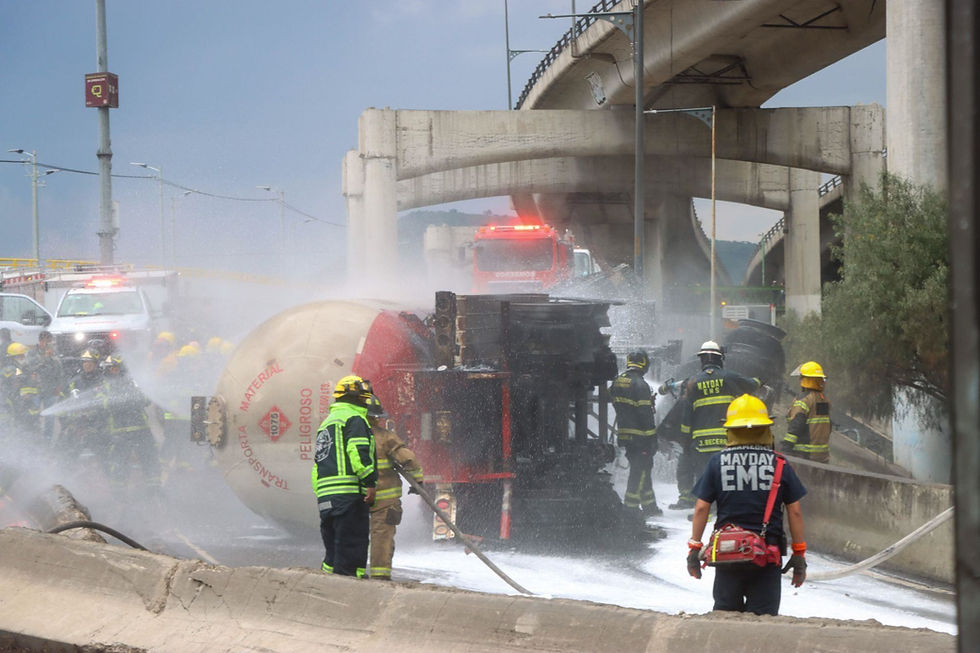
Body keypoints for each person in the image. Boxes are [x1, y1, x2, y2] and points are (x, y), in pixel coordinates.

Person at [686, 394, 808, 616]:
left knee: (725, 616)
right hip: (767, 554)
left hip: (727, 553)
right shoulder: (779, 463)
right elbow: (795, 512)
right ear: (766, 429)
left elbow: (702, 508)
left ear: (730, 430)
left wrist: (694, 548)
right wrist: (798, 554)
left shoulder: (717, 462)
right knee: (763, 619)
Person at [671, 340, 761, 510]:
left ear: (702, 359)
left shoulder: (692, 382)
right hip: (725, 439)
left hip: (700, 442)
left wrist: (685, 440)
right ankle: (721, 509)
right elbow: (752, 384)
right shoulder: (729, 377)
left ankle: (704, 511)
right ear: (719, 358)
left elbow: (686, 416)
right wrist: (761, 379)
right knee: (725, 475)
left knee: (703, 477)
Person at [312, 375, 378, 577]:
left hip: (326, 499)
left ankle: (325, 586)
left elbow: (317, 464)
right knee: (352, 548)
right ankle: (350, 589)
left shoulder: (327, 423)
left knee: (333, 552)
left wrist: (322, 493)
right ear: (357, 397)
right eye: (364, 397)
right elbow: (357, 452)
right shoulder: (354, 418)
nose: (366, 402)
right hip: (349, 496)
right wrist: (370, 482)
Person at [364, 395, 423, 580]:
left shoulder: (347, 436)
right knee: (382, 539)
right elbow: (408, 459)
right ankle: (380, 577)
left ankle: (352, 573)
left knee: (355, 536)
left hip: (357, 497)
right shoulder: (385, 437)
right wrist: (418, 481)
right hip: (385, 500)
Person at [99, 355, 162, 495]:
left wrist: (126, 400)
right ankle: (118, 491)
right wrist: (123, 401)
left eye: (115, 368)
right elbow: (102, 404)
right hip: (119, 431)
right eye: (110, 368)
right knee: (119, 461)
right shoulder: (104, 386)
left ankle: (154, 489)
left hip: (141, 428)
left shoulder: (134, 383)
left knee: (149, 458)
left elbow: (146, 399)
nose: (112, 371)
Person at [610, 349, 661, 516]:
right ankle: (630, 507)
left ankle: (649, 506)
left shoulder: (617, 381)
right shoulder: (640, 384)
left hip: (625, 434)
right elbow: (645, 414)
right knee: (640, 471)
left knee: (642, 468)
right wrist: (652, 438)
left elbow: (622, 405)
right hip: (640, 436)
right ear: (644, 363)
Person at [781, 361, 831, 463]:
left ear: (805, 379)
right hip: (821, 456)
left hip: (803, 455)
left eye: (801, 377)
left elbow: (796, 425)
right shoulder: (823, 399)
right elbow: (824, 426)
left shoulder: (804, 399)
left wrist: (787, 446)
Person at [25, 331, 66, 445]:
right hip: (35, 389)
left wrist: (59, 385)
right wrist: (45, 358)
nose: (48, 344)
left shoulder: (54, 353)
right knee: (34, 413)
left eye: (50, 342)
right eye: (46, 342)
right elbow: (31, 367)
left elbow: (59, 370)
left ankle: (47, 440)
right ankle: (34, 437)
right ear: (40, 341)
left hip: (50, 389)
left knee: (50, 416)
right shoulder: (32, 353)